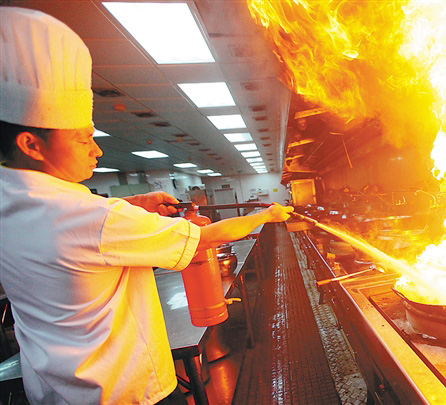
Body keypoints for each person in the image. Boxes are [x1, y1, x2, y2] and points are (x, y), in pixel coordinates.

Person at [0, 7, 293, 404]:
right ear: (31, 144)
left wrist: (135, 203)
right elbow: (205, 238)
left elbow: (68, 227)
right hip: (126, 391)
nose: (97, 150)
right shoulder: (93, 218)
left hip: (56, 392)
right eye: (83, 139)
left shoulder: (13, 201)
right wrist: (268, 214)